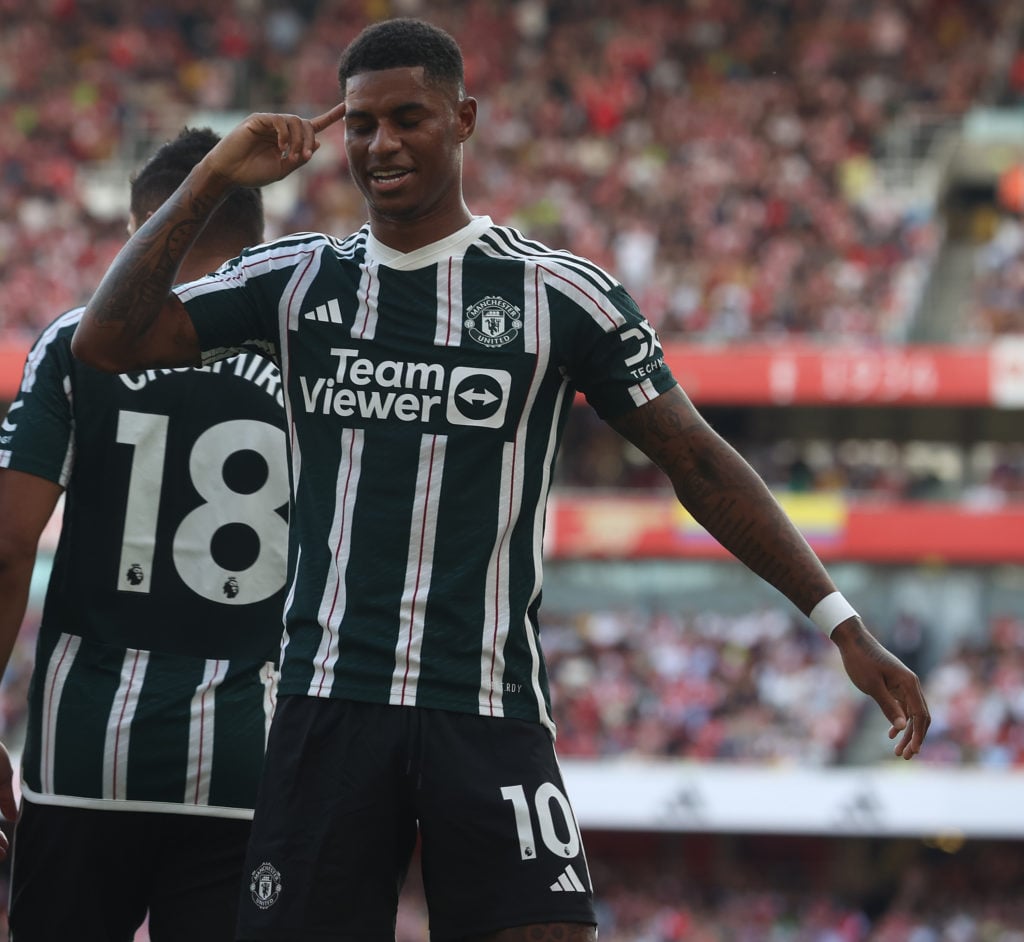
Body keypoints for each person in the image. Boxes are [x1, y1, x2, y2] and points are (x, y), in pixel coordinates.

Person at [71, 18, 931, 942]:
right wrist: (212, 178)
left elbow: (699, 460)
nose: (382, 144)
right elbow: (107, 339)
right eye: (361, 124)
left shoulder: (555, 293)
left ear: (465, 119)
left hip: (486, 709)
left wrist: (837, 619)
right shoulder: (297, 280)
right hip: (328, 712)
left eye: (409, 118)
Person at [0, 128, 289, 941]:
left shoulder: (73, 344)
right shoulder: (306, 362)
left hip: (86, 752)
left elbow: (9, 542)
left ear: (141, 232)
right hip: (247, 761)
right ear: (254, 239)